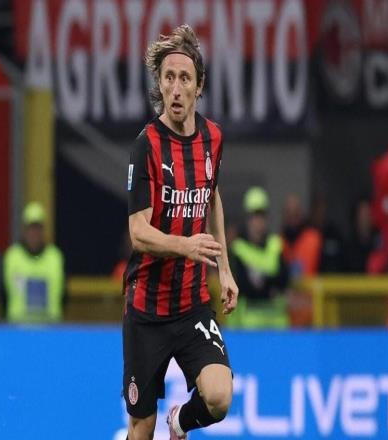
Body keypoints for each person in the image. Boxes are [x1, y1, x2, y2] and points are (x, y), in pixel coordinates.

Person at [123, 25, 238, 440]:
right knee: (141, 426)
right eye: (168, 78)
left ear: (198, 86)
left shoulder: (213, 138)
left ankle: (180, 423)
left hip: (192, 304)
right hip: (147, 309)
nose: (175, 88)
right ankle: (159, 423)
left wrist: (224, 268)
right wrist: (185, 246)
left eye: (184, 78)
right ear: (159, 84)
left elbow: (211, 195)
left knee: (219, 397)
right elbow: (138, 232)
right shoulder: (146, 145)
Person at [228, 186, 289, 328]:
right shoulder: (238, 247)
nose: (258, 220)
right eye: (254, 215)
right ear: (248, 218)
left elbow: (283, 280)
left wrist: (261, 283)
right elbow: (243, 286)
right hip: (247, 323)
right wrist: (269, 286)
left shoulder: (275, 244)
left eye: (262, 215)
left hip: (275, 322)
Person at [2, 202, 65, 323]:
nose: (34, 233)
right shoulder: (12, 256)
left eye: (38, 228)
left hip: (51, 325)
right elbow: (3, 295)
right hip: (17, 326)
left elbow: (63, 295)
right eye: (31, 228)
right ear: (24, 230)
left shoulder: (55, 257)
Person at [281, 193, 322, 279]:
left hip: (311, 286)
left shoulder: (314, 238)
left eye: (295, 213)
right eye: (289, 213)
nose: (292, 217)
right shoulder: (278, 242)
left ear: (301, 213)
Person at [310, 192, 346, 272]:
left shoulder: (334, 233)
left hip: (331, 277)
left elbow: (343, 259)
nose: (320, 211)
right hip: (312, 277)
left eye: (323, 207)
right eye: (318, 207)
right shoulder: (306, 232)